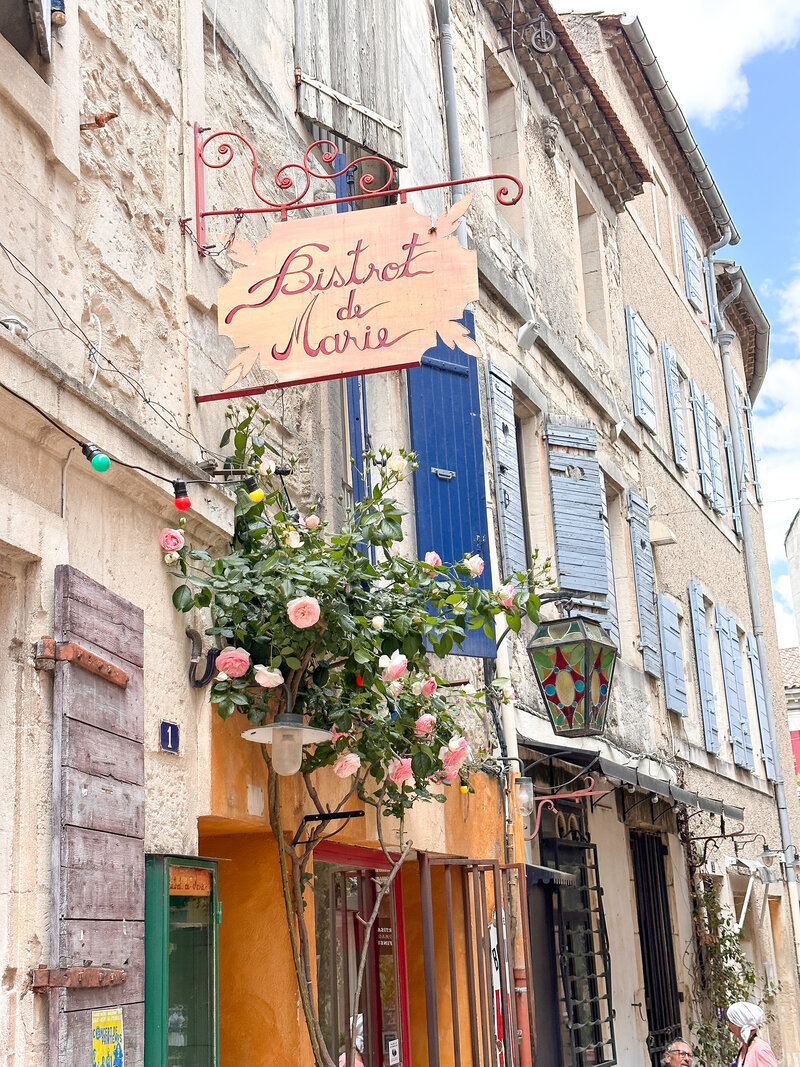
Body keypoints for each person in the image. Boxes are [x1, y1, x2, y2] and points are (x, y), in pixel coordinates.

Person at [726, 1002, 778, 1066]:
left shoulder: (760, 1049)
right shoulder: (744, 1046)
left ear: (739, 1024)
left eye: (731, 1022)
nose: (729, 1026)